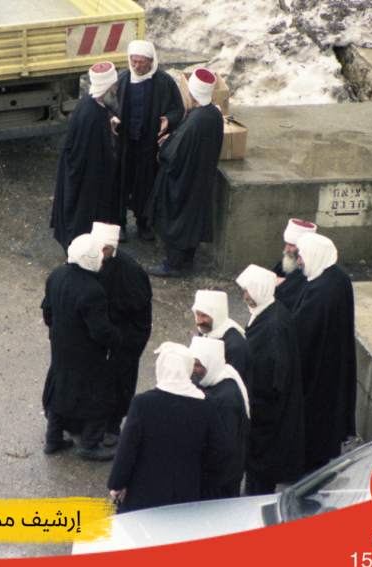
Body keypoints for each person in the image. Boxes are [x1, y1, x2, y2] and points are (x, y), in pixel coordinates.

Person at [107, 342, 232, 512]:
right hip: (186, 494)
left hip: (143, 495)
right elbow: (221, 451)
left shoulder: (143, 403)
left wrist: (117, 484)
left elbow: (127, 449)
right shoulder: (206, 404)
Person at [41, 234, 121, 461]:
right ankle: (89, 443)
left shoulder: (56, 275)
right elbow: (100, 331)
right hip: (87, 354)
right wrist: (117, 338)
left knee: (59, 389)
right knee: (100, 396)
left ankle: (53, 439)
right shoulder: (93, 290)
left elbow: (48, 312)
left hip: (60, 346)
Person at [145, 69, 223, 277]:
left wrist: (163, 149)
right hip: (200, 178)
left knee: (175, 219)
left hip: (183, 180)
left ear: (192, 93)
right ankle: (187, 259)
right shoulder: (214, 114)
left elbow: (174, 153)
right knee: (192, 220)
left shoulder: (195, 121)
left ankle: (173, 265)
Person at [236, 264, 305, 494]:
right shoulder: (270, 311)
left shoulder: (272, 326)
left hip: (267, 414)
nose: (245, 296)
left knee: (261, 471)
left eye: (249, 291)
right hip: (269, 410)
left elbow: (272, 377)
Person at [291, 232, 357, 472]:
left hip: (318, 371)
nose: (299, 262)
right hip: (334, 363)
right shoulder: (339, 278)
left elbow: (301, 337)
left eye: (302, 256)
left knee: (314, 426)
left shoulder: (319, 292)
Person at [113, 40, 185, 243]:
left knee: (146, 186)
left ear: (151, 62)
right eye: (133, 61)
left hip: (148, 145)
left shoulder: (163, 82)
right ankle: (119, 224)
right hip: (125, 144)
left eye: (141, 63)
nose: (137, 66)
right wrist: (112, 119)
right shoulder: (122, 80)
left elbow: (178, 109)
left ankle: (143, 224)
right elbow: (108, 105)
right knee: (120, 184)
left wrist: (168, 119)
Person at [91, 221, 153, 445]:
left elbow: (137, 306)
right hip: (103, 332)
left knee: (119, 382)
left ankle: (112, 425)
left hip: (125, 336)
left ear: (113, 247)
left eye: (105, 249)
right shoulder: (90, 260)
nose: (100, 253)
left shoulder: (130, 270)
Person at [50, 62, 119, 252]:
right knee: (83, 218)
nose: (116, 88)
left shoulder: (88, 104)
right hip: (88, 181)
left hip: (84, 176)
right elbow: (92, 151)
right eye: (114, 84)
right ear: (107, 87)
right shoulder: (92, 114)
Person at [189, 336, 249, 499]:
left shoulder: (226, 398)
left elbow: (225, 447)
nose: (193, 370)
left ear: (211, 363)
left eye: (198, 365)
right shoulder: (212, 381)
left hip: (221, 481)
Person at [191, 289, 252, 389]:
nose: (199, 321)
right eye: (197, 314)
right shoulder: (207, 331)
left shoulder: (235, 346)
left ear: (217, 315)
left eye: (204, 315)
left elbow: (231, 385)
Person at [273, 218, 316, 312]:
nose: (286, 249)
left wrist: (284, 283)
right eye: (286, 244)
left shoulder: (314, 269)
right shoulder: (289, 258)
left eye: (291, 245)